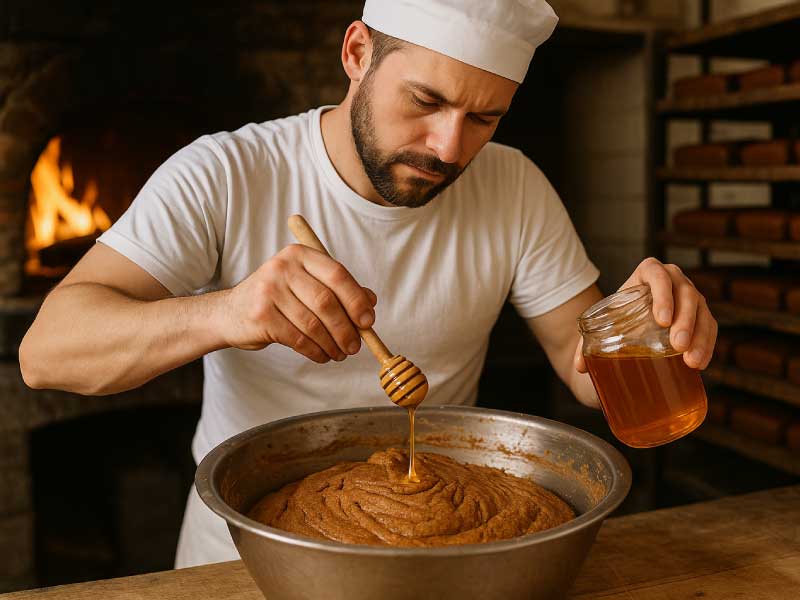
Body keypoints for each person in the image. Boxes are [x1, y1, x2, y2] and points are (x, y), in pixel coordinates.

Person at [19, 0, 717, 568]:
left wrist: (651, 321)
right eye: (425, 100)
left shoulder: (515, 187)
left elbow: (583, 364)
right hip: (247, 558)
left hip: (441, 546)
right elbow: (47, 352)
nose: (449, 147)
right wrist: (225, 314)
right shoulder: (226, 173)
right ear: (356, 54)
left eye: (484, 118)